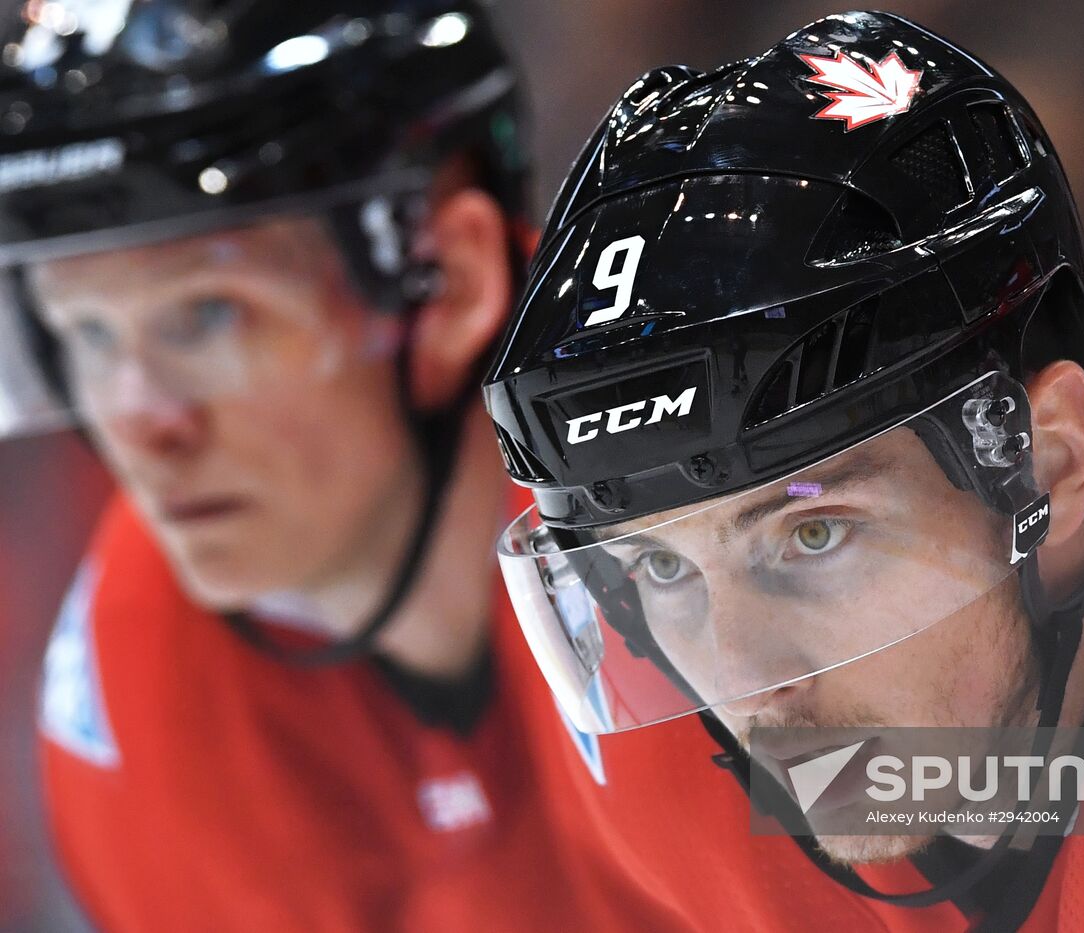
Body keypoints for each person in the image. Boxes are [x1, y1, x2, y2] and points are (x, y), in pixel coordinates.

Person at [487, 10, 1084, 930]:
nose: (743, 681)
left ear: (1053, 464)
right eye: (661, 565)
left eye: (812, 533)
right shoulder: (682, 783)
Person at [0, 2, 681, 929]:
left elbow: (938, 808)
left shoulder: (741, 532)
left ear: (452, 284)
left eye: (209, 314)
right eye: (85, 331)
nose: (139, 425)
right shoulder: (141, 677)